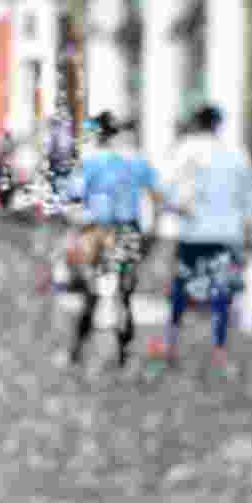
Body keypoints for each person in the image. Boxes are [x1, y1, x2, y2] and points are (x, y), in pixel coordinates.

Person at [162, 104, 252, 375]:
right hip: (227, 233)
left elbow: (166, 188)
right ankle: (219, 348)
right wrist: (251, 232)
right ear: (219, 125)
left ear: (196, 123)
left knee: (181, 288)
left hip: (194, 232)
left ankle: (171, 342)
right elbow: (250, 196)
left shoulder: (184, 151)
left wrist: (176, 209)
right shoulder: (237, 154)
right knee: (222, 291)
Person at [64, 110, 164, 369]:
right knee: (125, 295)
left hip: (97, 231)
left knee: (92, 293)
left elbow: (73, 199)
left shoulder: (90, 161)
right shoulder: (136, 161)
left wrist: (78, 229)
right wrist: (152, 230)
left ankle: (77, 350)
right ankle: (124, 354)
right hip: (128, 231)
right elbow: (156, 196)